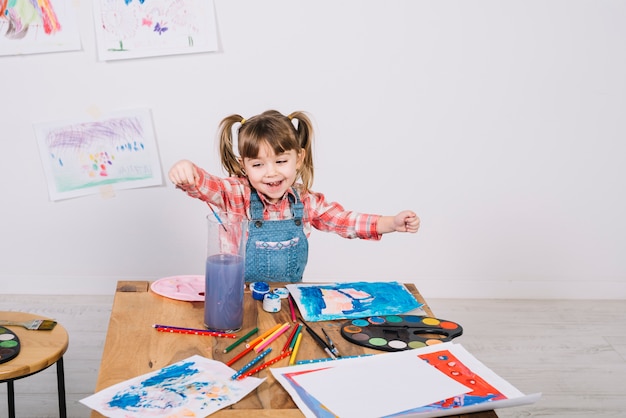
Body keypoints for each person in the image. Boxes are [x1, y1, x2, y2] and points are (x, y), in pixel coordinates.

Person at [169, 110, 420, 283]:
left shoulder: (306, 203)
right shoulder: (236, 195)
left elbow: (345, 221)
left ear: (298, 158)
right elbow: (207, 185)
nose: (271, 173)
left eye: (280, 161)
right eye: (258, 165)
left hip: (286, 298)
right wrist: (187, 169)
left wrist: (391, 223)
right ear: (243, 165)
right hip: (237, 296)